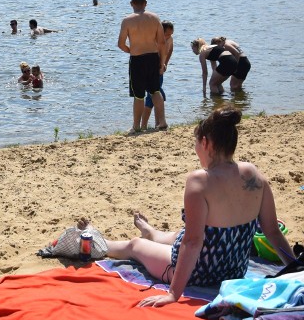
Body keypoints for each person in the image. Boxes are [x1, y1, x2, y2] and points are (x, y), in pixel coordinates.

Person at [88, 105, 295, 308]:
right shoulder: (253, 174)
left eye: (196, 143)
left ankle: (98, 242)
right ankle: (151, 232)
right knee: (179, 234)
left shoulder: (199, 181)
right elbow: (272, 231)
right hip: (235, 270)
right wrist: (296, 269)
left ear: (205, 143)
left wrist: (173, 294)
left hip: (199, 273)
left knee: (135, 245)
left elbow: (193, 243)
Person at [117, 0, 168, 133]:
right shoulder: (155, 18)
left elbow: (120, 44)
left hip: (137, 59)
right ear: (145, 3)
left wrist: (131, 50)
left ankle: (136, 126)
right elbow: (162, 43)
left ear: (131, 4)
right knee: (155, 91)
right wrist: (162, 62)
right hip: (153, 57)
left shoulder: (127, 20)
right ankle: (162, 121)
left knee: (138, 95)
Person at [141, 20, 174, 130]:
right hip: (153, 68)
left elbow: (170, 50)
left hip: (160, 68)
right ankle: (154, 123)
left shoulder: (169, 39)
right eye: (167, 34)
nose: (169, 36)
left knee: (151, 97)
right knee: (155, 94)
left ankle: (151, 124)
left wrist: (165, 63)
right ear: (161, 32)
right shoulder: (156, 39)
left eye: (171, 34)